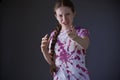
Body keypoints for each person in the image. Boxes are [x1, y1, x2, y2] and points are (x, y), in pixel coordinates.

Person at [40, 0, 90, 80]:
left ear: (74, 13)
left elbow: (85, 44)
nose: (64, 19)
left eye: (68, 14)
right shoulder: (53, 35)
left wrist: (75, 38)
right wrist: (44, 50)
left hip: (79, 77)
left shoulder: (81, 31)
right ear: (56, 16)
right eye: (60, 15)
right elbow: (52, 61)